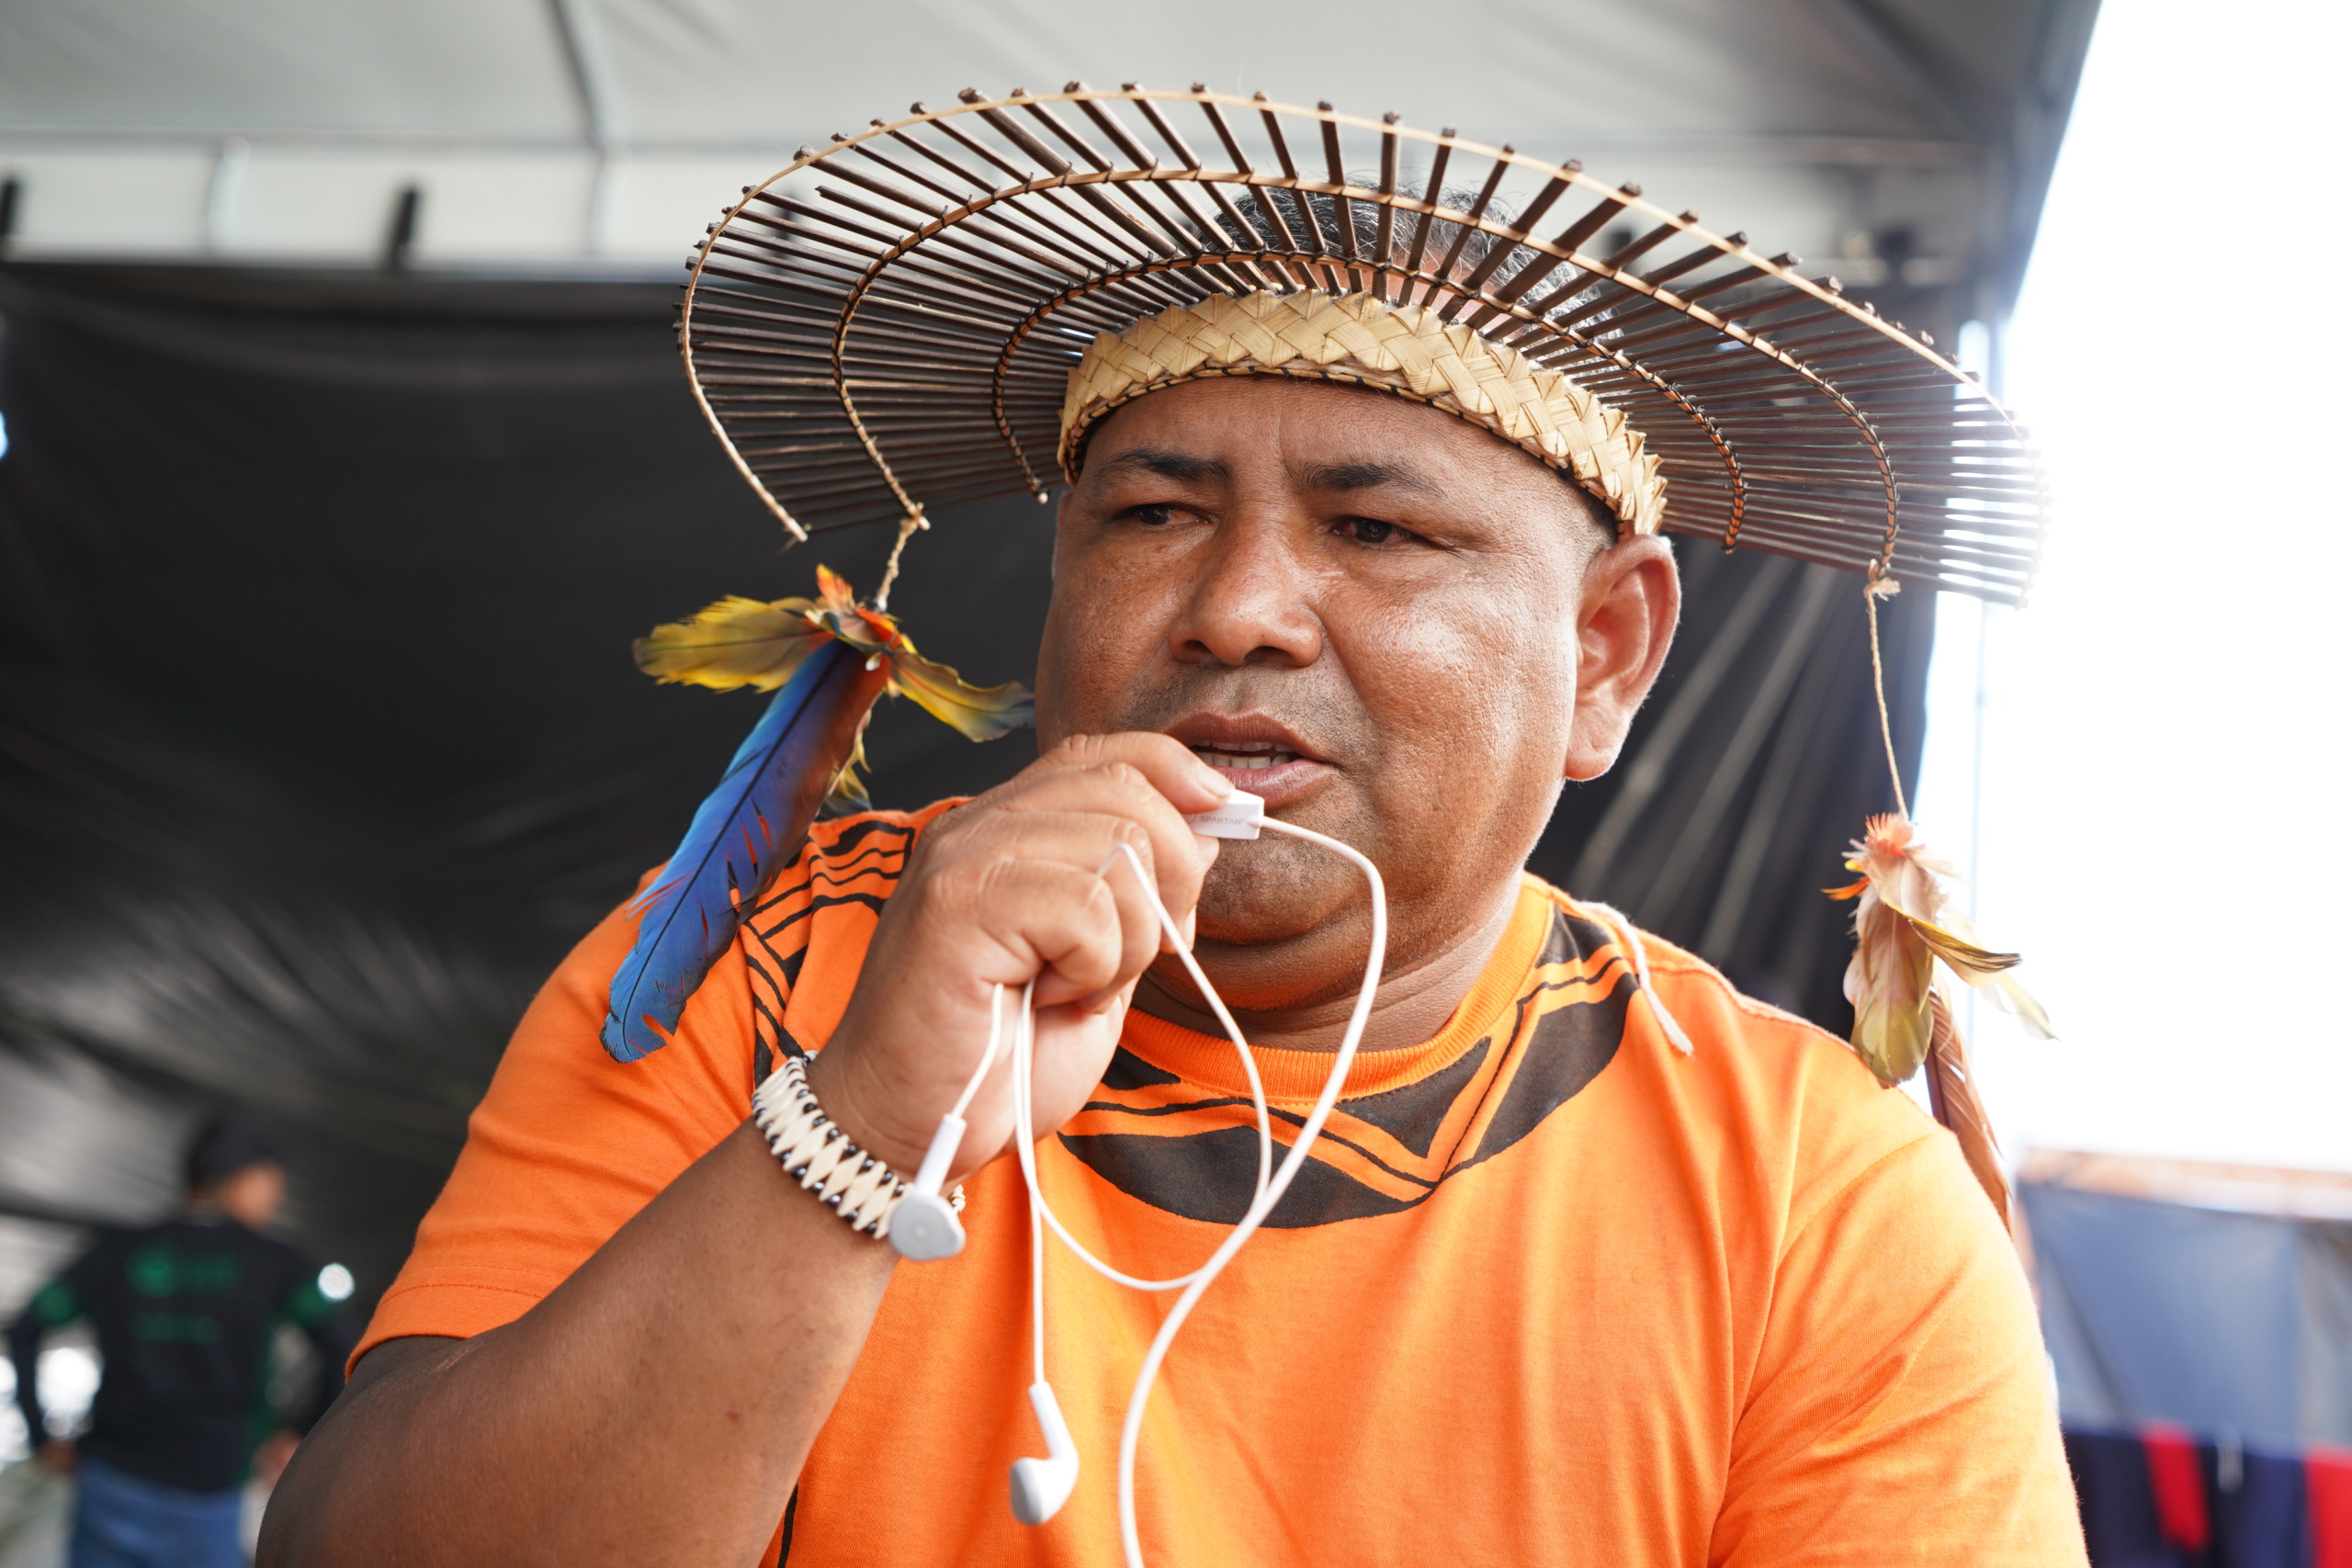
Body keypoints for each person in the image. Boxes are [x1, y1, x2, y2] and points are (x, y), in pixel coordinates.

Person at [260, 90, 2082, 1566]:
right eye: (1147, 516)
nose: (1240, 610)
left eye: (1377, 531)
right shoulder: (753, 977)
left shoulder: (1811, 1190)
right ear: (1055, 586)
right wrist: (860, 1117)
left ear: (1601, 651)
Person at [9, 1114, 356, 1568]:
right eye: (272, 1183)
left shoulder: (118, 1251)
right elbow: (341, 1341)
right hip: (207, 1493)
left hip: (109, 1482)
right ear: (244, 1179)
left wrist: (41, 1437)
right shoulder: (274, 1261)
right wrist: (301, 1438)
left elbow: (26, 1327)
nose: (276, 1196)